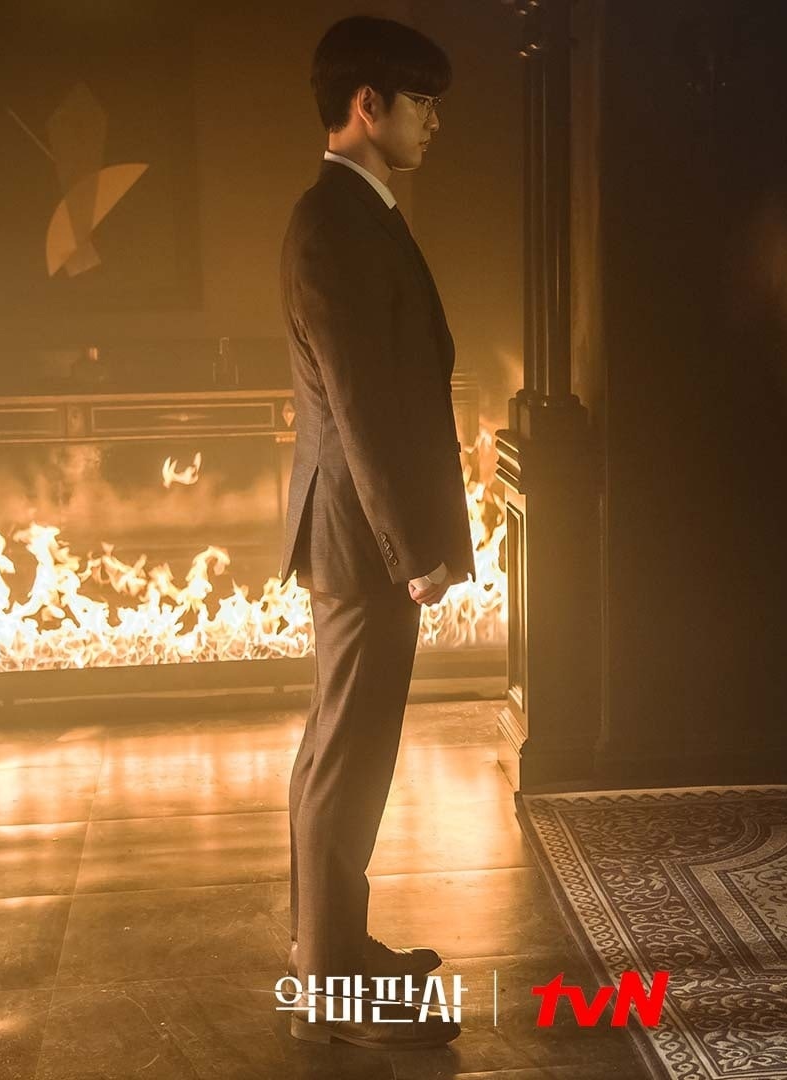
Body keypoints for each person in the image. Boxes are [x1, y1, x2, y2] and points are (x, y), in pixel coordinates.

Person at [277, 15, 475, 1050]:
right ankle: (328, 983)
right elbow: (361, 406)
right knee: (346, 760)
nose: (434, 122)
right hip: (363, 539)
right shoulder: (334, 222)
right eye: (422, 102)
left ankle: (331, 949)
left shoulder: (356, 212)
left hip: (358, 534)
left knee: (338, 752)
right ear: (369, 106)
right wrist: (412, 555)